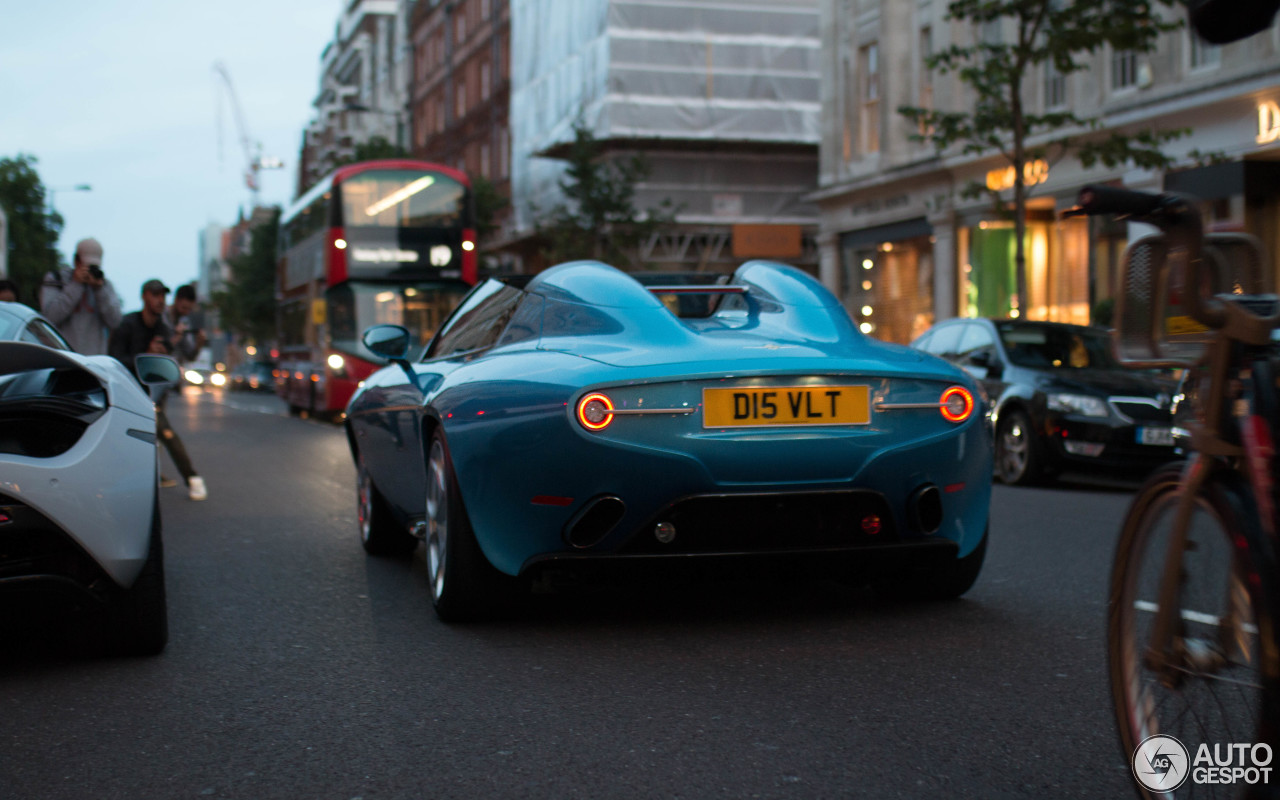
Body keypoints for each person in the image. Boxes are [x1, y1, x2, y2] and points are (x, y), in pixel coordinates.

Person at [109, 279, 208, 502]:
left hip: (151, 394)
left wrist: (166, 351)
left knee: (164, 432)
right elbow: (113, 360)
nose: (159, 300)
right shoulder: (127, 324)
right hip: (123, 392)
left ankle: (192, 478)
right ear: (144, 296)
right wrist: (146, 354)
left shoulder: (163, 328)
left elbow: (171, 359)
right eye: (155, 295)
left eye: (162, 296)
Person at [40, 237, 123, 355]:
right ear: (76, 260)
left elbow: (115, 321)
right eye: (87, 265)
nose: (90, 270)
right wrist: (76, 285)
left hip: (93, 363)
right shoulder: (57, 279)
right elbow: (50, 317)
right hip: (63, 359)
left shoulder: (105, 286)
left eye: (95, 266)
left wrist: (99, 290)